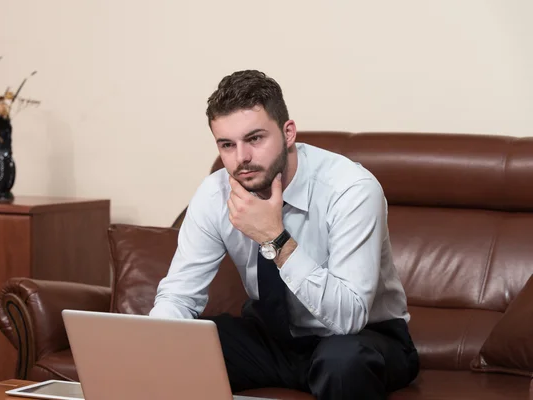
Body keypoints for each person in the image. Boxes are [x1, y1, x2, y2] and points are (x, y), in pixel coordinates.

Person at [149, 70, 420, 399]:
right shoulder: (214, 194)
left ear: (288, 132)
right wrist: (155, 345)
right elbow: (179, 296)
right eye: (227, 145)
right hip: (273, 338)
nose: (242, 158)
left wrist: (275, 238)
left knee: (344, 362)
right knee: (188, 344)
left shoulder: (351, 189)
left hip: (361, 339)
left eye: (255, 138)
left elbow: (348, 318)